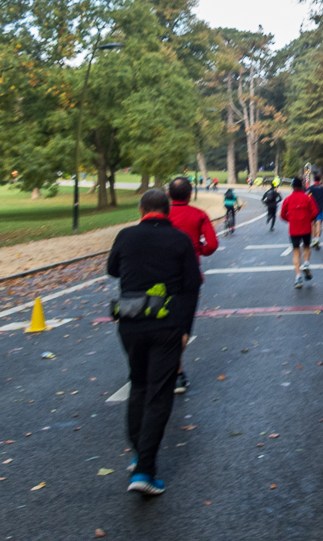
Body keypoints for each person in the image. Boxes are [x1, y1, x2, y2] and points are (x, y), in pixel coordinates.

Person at [108, 190, 201, 495]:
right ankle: (146, 469)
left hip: (131, 322)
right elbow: (190, 286)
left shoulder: (125, 235)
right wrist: (186, 328)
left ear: (141, 210)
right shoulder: (180, 240)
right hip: (168, 323)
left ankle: (139, 456)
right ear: (168, 212)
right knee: (159, 394)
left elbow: (112, 269)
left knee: (138, 385)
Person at [166, 177, 219, 394]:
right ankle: (177, 372)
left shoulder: (163, 215)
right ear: (189, 195)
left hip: (161, 275)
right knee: (183, 325)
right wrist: (200, 250)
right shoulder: (199, 214)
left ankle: (168, 367)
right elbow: (213, 244)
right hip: (189, 275)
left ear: (169, 195)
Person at [280, 177, 319, 287]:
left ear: (292, 187)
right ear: (301, 186)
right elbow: (315, 211)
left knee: (296, 252)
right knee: (307, 247)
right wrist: (309, 219)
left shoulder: (288, 199)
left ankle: (298, 277)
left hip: (294, 229)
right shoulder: (308, 198)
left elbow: (282, 215)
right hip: (306, 228)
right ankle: (306, 263)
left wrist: (291, 220)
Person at [307, 175, 323, 249]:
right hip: (320, 208)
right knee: (319, 223)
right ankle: (317, 239)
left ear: (313, 180)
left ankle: (313, 240)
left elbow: (307, 196)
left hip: (311, 209)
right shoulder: (322, 188)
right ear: (320, 181)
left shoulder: (310, 188)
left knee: (312, 224)